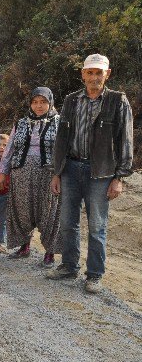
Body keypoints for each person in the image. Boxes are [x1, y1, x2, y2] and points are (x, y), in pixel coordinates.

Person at [47, 54, 134, 294]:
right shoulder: (71, 100)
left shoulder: (118, 101)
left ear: (107, 74)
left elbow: (125, 140)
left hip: (101, 173)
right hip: (71, 169)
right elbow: (62, 140)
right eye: (90, 72)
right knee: (67, 223)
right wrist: (57, 172)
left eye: (99, 72)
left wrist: (119, 177)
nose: (94, 77)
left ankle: (94, 275)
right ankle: (68, 266)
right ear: (83, 74)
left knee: (97, 226)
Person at [0, 87, 62, 267]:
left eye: (43, 102)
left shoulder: (60, 122)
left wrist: (61, 173)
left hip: (48, 175)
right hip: (21, 174)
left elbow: (65, 151)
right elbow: (9, 149)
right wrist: (3, 171)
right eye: (35, 102)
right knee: (22, 211)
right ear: (30, 104)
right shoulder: (21, 123)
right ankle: (24, 246)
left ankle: (49, 253)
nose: (39, 106)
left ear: (50, 103)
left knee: (48, 213)